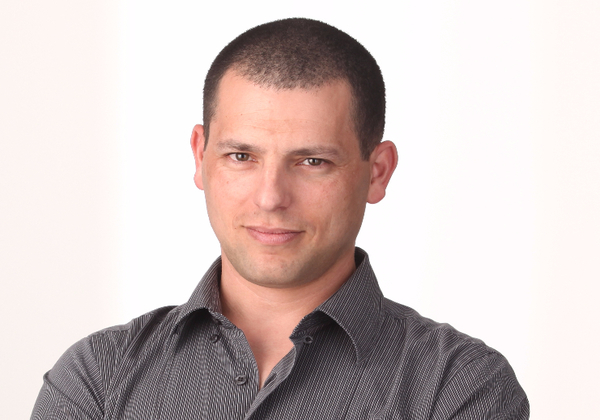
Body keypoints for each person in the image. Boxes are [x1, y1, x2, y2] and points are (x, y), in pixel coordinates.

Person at [31, 18, 529, 419]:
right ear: (200, 156)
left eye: (312, 161)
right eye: (241, 156)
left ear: (377, 172)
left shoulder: (458, 387)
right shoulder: (97, 377)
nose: (270, 197)